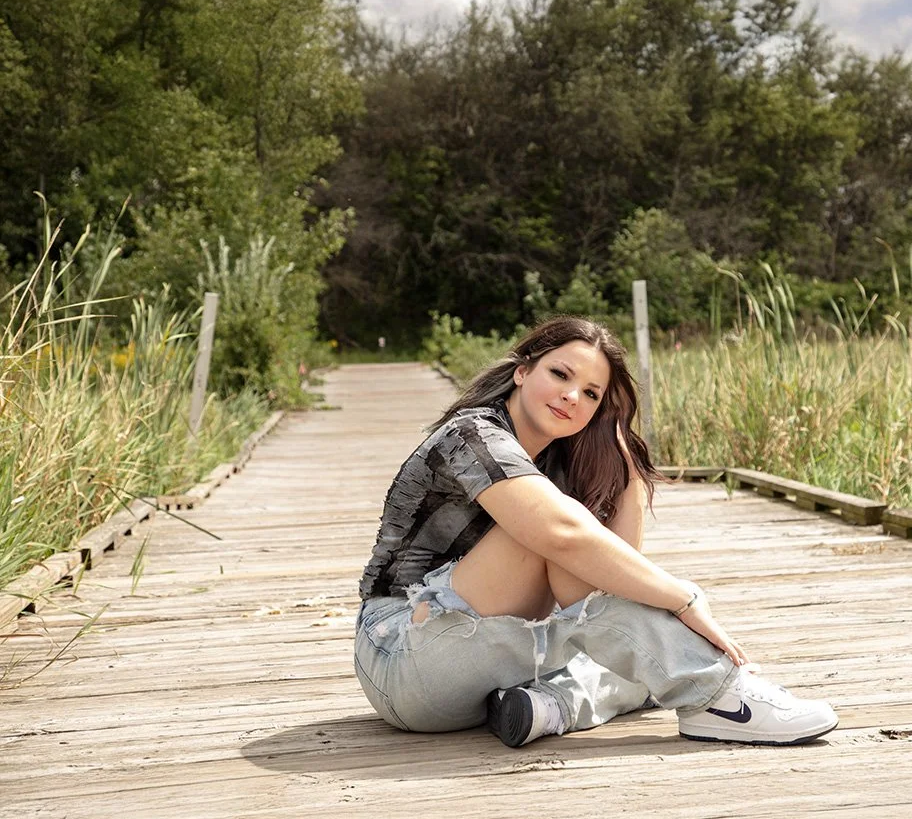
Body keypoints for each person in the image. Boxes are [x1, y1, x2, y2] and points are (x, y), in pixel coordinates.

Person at [354, 316, 837, 748]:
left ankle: (548, 708)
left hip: (486, 661)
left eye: (591, 393)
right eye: (560, 374)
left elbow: (611, 586)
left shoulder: (557, 464)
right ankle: (718, 692)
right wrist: (684, 599)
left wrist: (625, 465)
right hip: (404, 654)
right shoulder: (471, 435)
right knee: (555, 545)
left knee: (622, 640)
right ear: (523, 371)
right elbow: (567, 541)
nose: (572, 396)